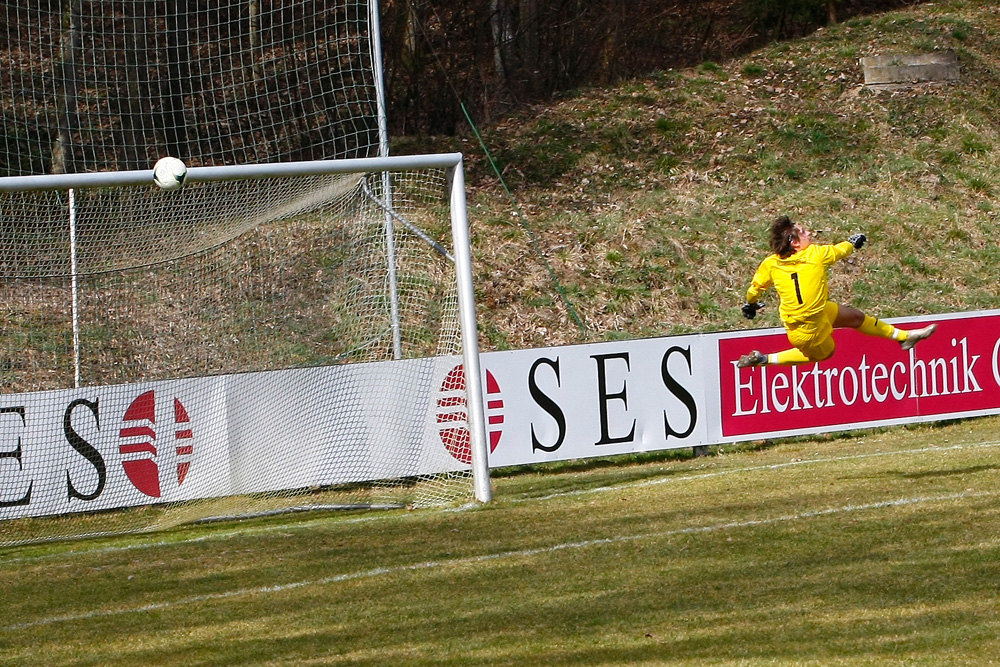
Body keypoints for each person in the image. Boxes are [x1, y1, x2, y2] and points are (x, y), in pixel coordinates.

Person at [737, 215, 936, 368]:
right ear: (795, 243)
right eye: (804, 232)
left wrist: (751, 305)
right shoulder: (816, 254)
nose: (810, 233)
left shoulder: (770, 263)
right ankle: (764, 359)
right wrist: (852, 243)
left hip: (817, 312)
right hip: (807, 331)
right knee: (824, 354)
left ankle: (904, 337)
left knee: (857, 318)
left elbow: (754, 290)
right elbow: (840, 250)